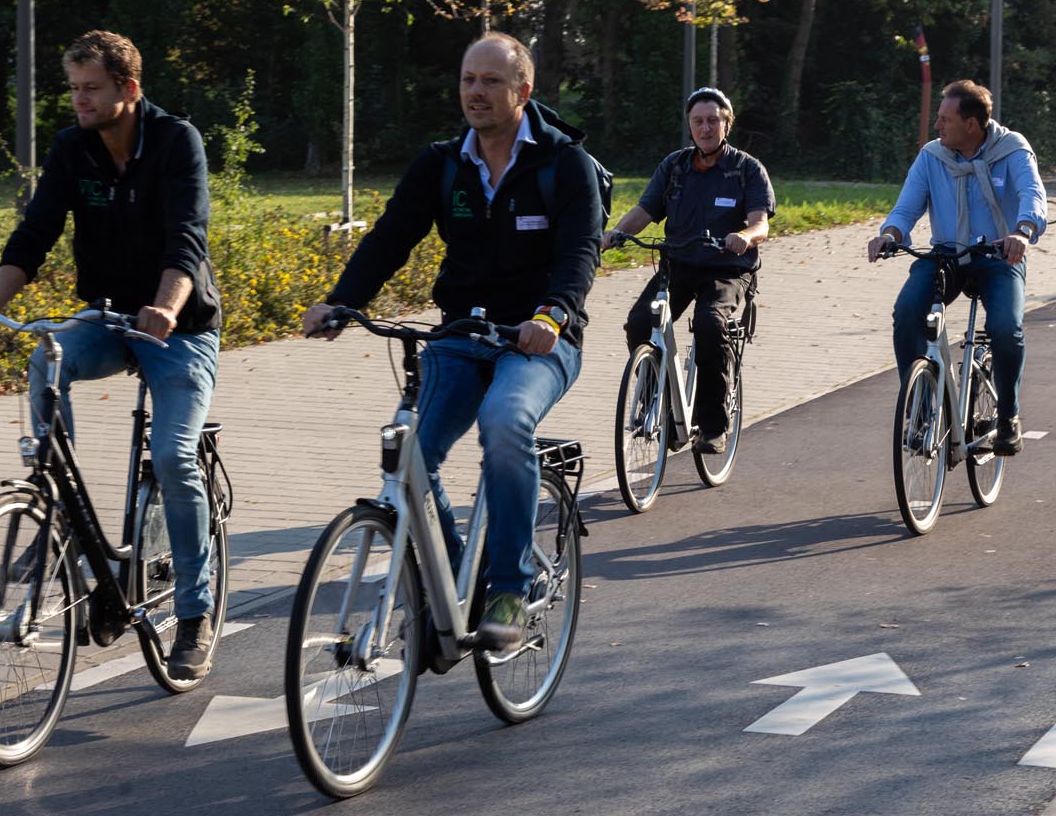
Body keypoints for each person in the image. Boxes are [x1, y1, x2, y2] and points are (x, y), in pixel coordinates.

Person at [301, 33, 601, 653]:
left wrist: (552, 314)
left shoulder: (561, 163)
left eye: (491, 81)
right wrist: (342, 301)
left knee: (504, 422)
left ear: (523, 90)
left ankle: (509, 589)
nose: (475, 92)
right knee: (411, 444)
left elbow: (579, 254)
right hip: (461, 335)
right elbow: (390, 238)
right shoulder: (441, 163)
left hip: (538, 341)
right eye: (468, 79)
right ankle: (457, 575)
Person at [0, 30, 224, 680]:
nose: (79, 100)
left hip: (179, 327)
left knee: (174, 456)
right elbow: (35, 233)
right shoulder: (74, 149)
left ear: (128, 89)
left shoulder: (176, 141)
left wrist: (165, 306)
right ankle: (62, 519)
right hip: (104, 318)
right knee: (48, 359)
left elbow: (188, 237)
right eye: (72, 88)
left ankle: (194, 612)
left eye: (91, 88)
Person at [865, 79, 1046, 455]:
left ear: (972, 125)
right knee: (907, 311)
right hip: (946, 256)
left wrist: (1023, 232)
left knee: (1004, 327)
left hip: (999, 255)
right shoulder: (932, 157)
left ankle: (1007, 415)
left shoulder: (1012, 150)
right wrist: (891, 233)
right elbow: (906, 207)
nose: (937, 126)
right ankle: (920, 407)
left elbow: (1033, 195)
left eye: (945, 119)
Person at [602, 87, 773, 453]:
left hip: (727, 270)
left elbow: (761, 224)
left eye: (713, 120)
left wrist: (744, 236)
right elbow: (646, 210)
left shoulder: (747, 170)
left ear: (727, 124)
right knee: (638, 322)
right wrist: (616, 233)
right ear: (690, 126)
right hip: (678, 264)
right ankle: (657, 402)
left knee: (712, 324)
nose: (705, 128)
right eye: (698, 121)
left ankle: (714, 425)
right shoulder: (675, 166)